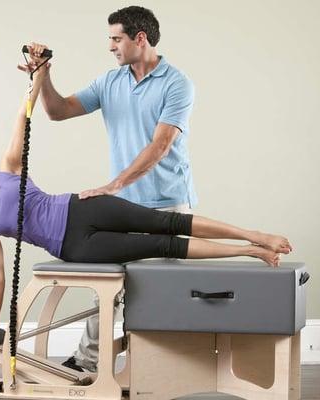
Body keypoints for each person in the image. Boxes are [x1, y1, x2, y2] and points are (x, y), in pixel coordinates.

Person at [0, 63, 292, 362]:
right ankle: (249, 251)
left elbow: (22, 117)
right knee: (163, 245)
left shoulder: (6, 170)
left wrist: (40, 74)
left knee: (167, 222)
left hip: (83, 205)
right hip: (76, 245)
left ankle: (255, 235)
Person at [20, 5, 198, 371]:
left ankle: (154, 368)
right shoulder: (110, 82)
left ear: (140, 38)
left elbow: (160, 144)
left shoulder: (177, 83)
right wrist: (43, 76)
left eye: (116, 39)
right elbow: (59, 110)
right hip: (121, 207)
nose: (111, 46)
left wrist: (114, 183)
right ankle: (87, 363)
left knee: (154, 292)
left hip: (166, 204)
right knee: (106, 286)